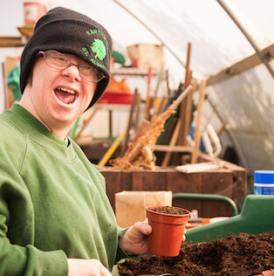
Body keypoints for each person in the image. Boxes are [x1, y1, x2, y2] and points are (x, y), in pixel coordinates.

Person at [0, 6, 154, 276]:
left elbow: (80, 243)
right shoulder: (5, 143)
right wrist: (64, 270)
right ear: (30, 68)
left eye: (88, 68)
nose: (73, 73)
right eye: (59, 58)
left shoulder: (79, 159)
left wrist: (121, 243)